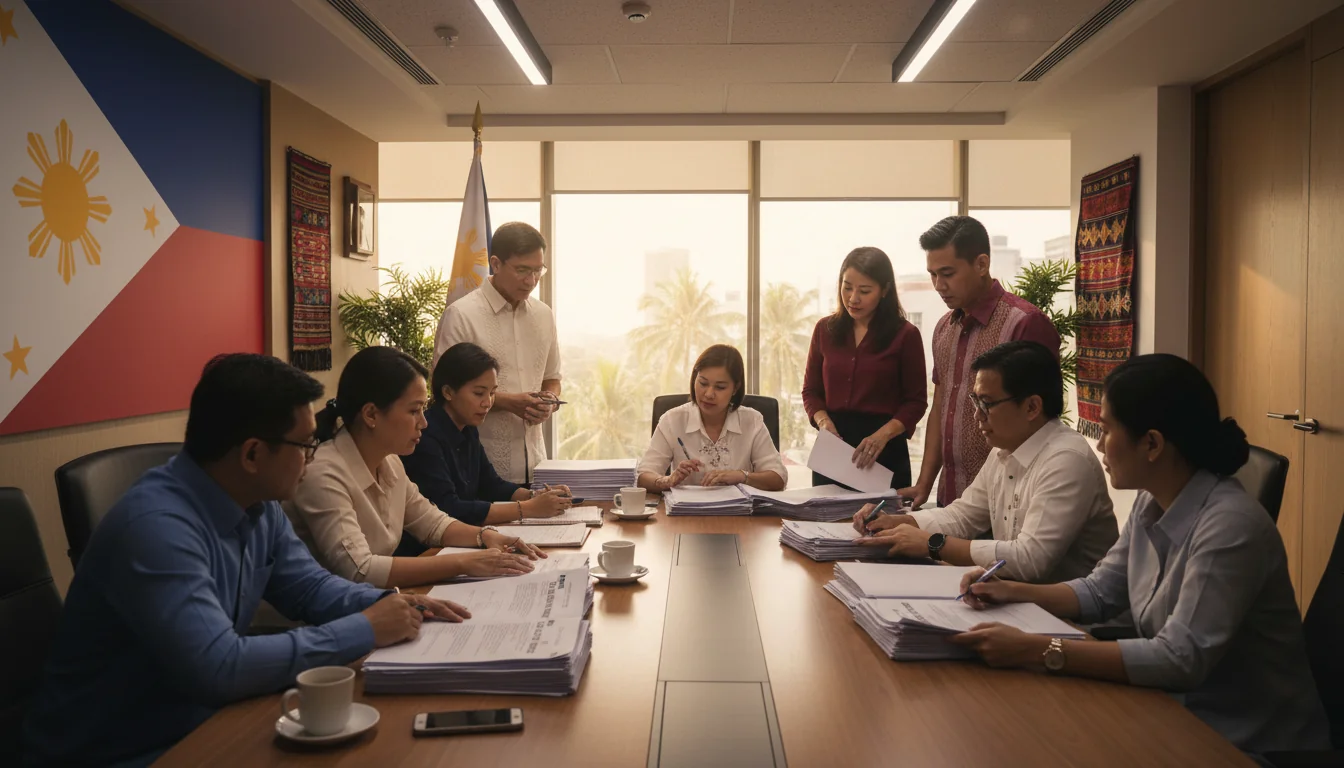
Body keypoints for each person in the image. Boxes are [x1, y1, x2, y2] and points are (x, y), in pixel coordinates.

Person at [22, 354, 467, 768]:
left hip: (203, 720)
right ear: (253, 454)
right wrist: (366, 627)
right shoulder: (155, 529)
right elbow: (219, 666)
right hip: (117, 748)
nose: (311, 460)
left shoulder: (258, 502)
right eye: (305, 446)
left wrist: (394, 604)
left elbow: (309, 587)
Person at [950, 354, 1330, 760]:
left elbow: (1179, 658)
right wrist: (1011, 591)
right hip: (1172, 711)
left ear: (1152, 443)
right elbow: (1100, 592)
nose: (1099, 444)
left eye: (1108, 429)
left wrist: (1035, 649)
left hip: (1243, 742)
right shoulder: (1155, 500)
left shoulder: (1230, 527)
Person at [852, 341, 1117, 582]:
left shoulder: (1066, 461)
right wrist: (899, 522)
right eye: (975, 401)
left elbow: (1031, 560)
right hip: (1017, 599)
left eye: (987, 403)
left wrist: (933, 544)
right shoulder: (1005, 448)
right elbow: (964, 515)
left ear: (1032, 407)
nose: (977, 415)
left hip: (1074, 622)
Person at [286, 346, 546, 589]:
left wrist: (485, 536)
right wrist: (464, 563)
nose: (423, 423)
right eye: (414, 411)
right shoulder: (324, 472)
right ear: (371, 415)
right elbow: (359, 570)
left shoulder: (389, 461)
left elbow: (432, 523)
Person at [903, 216, 1061, 509]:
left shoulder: (1024, 324)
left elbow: (1042, 423)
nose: (939, 285)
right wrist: (924, 483)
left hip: (1010, 503)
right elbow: (941, 405)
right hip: (950, 501)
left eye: (947, 273)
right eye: (933, 274)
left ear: (981, 264)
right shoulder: (942, 328)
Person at [433, 221, 560, 485]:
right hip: (479, 468)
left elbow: (552, 377)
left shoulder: (543, 315)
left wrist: (549, 400)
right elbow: (445, 390)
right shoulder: (461, 315)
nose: (531, 281)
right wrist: (507, 402)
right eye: (522, 270)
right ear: (496, 263)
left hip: (536, 465)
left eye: (538, 271)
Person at [403, 342, 574, 525]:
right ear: (447, 392)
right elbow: (448, 508)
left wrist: (535, 495)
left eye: (492, 393)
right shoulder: (425, 435)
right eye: (479, 393)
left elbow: (491, 484)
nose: (487, 403)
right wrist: (529, 508)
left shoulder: (467, 427)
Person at [802, 246, 927, 489]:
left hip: (884, 449)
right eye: (847, 287)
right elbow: (811, 391)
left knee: (881, 525)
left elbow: (916, 402)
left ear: (885, 290)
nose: (853, 298)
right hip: (833, 449)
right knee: (825, 522)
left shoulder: (906, 335)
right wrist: (823, 422)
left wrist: (882, 436)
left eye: (865, 290)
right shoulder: (824, 330)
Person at [638, 344, 787, 492]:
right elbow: (643, 477)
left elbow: (778, 478)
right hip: (686, 512)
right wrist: (666, 480)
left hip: (740, 514)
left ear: (735, 388)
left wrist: (742, 476)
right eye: (703, 383)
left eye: (720, 387)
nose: (709, 394)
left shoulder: (752, 421)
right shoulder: (672, 420)